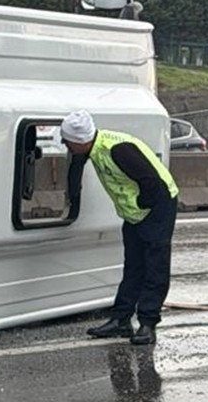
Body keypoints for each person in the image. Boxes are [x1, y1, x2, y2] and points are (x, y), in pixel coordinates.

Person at [62, 110, 179, 345]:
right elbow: (76, 168)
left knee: (154, 265)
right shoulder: (90, 147)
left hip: (158, 206)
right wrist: (72, 196)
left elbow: (151, 183)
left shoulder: (118, 150)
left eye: (67, 141)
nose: (64, 145)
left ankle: (147, 323)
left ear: (81, 141)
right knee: (133, 265)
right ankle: (121, 320)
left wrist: (140, 204)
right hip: (135, 214)